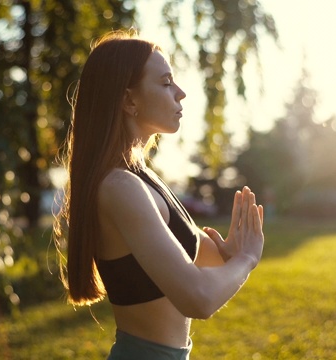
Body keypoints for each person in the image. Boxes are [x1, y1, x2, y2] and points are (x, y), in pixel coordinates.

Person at [54, 29, 265, 359]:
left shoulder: (142, 179)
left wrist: (231, 255)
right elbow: (198, 297)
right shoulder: (120, 187)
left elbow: (205, 266)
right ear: (128, 100)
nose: (180, 93)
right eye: (166, 83)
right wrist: (247, 258)